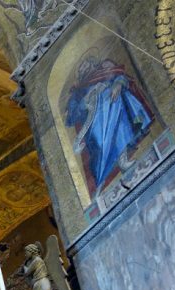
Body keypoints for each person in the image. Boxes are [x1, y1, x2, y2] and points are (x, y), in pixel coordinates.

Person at [65, 56, 154, 194]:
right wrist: (84, 102)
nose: (83, 67)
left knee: (115, 104)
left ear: (92, 62)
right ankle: (102, 177)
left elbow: (120, 75)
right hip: (93, 121)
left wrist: (118, 83)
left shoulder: (104, 68)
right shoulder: (77, 92)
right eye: (80, 68)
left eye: (84, 64)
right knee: (100, 135)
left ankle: (122, 159)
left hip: (112, 101)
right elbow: (71, 118)